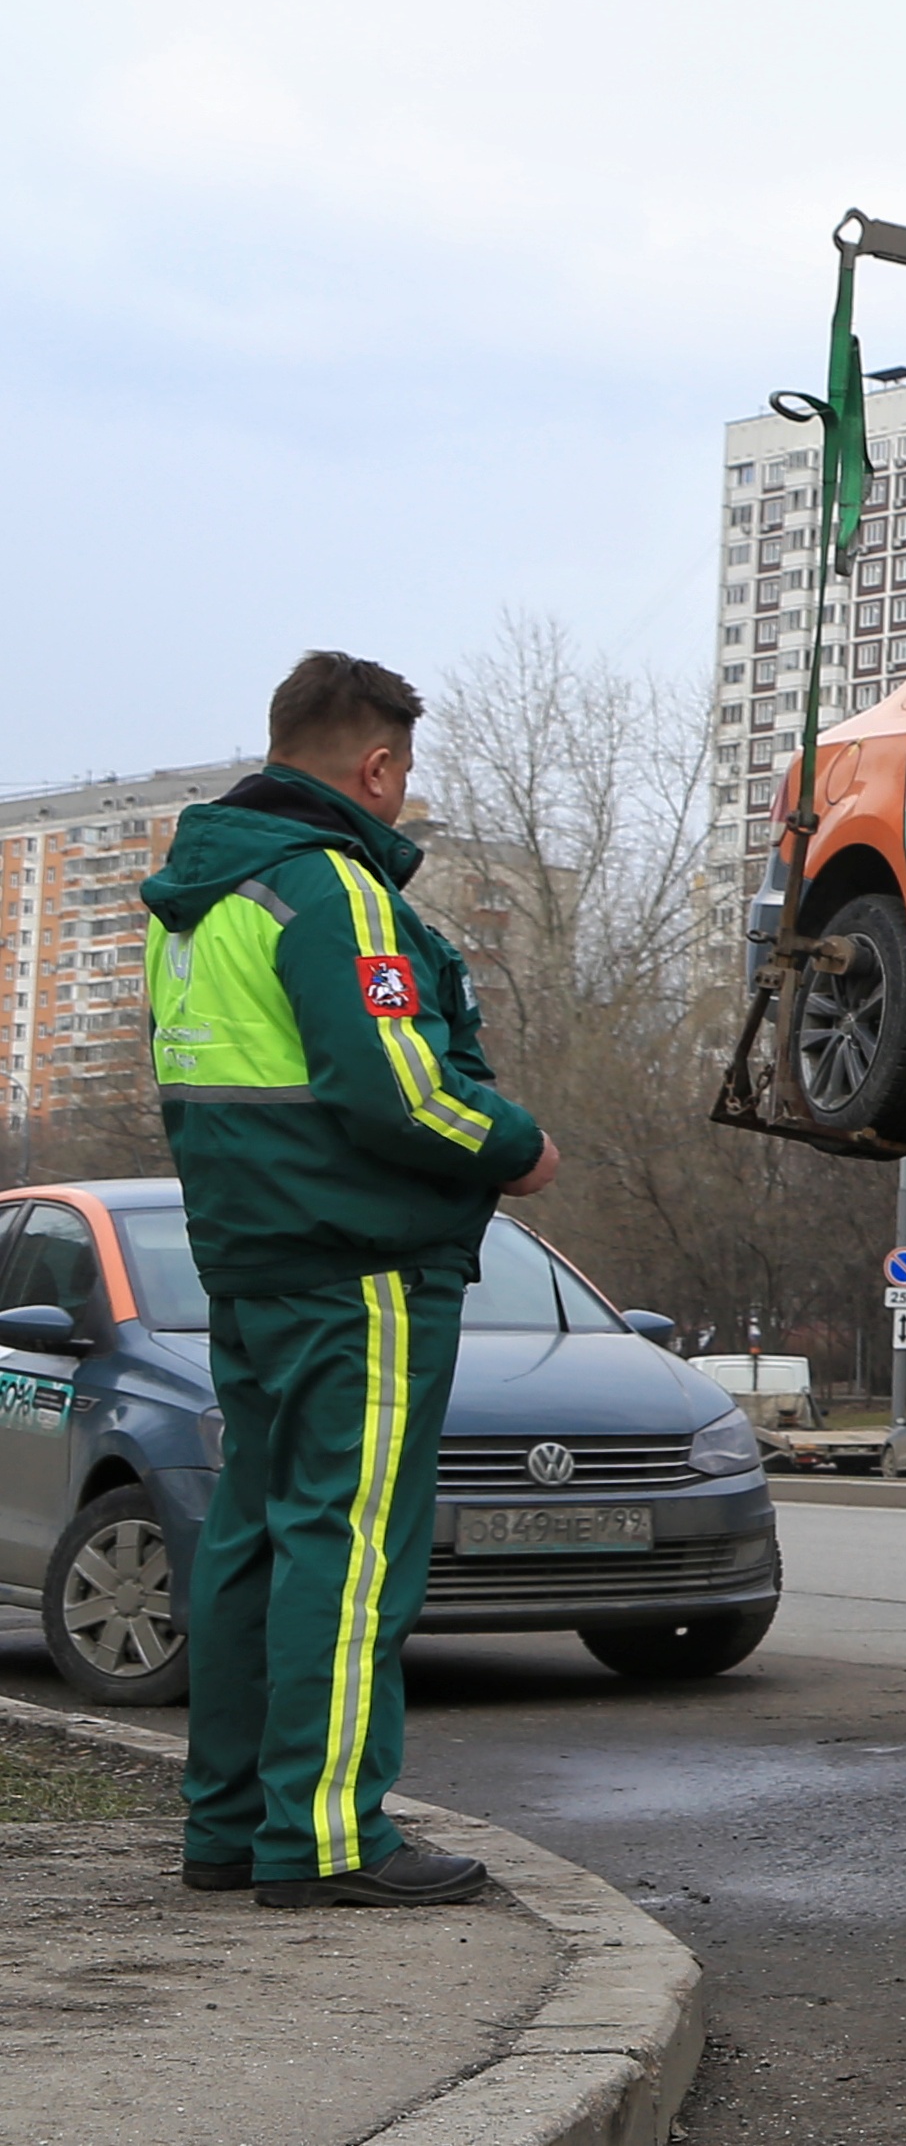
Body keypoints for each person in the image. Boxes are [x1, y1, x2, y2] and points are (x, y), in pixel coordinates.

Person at [140, 652, 554, 1908]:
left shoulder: (198, 906)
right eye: (406, 777)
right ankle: (327, 1838)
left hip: (252, 1261)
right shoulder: (332, 891)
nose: (405, 801)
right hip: (360, 1267)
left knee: (254, 1536)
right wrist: (518, 1146)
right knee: (354, 1543)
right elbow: (395, 1089)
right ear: (375, 767)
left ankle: (231, 1826)